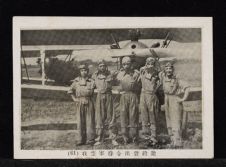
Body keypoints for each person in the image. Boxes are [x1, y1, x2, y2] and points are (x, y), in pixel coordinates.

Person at [92, 59, 118, 146]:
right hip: (100, 96)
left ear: (106, 66)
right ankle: (99, 137)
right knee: (99, 117)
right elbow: (91, 86)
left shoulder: (110, 74)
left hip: (109, 96)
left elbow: (117, 81)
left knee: (111, 117)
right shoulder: (95, 76)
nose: (102, 67)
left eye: (104, 65)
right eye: (100, 66)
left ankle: (113, 138)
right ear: (98, 67)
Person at [67, 64, 95, 146]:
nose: (84, 72)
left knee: (89, 121)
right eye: (82, 70)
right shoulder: (76, 81)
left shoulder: (92, 81)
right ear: (80, 71)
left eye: (85, 70)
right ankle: (80, 139)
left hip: (89, 101)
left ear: (88, 71)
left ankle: (90, 139)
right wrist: (74, 99)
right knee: (80, 121)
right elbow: (70, 91)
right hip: (79, 102)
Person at [115, 56, 140, 144]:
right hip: (124, 95)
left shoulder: (136, 73)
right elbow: (118, 83)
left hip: (133, 95)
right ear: (122, 64)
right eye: (124, 64)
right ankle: (125, 136)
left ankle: (134, 136)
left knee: (133, 116)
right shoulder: (120, 74)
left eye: (128, 64)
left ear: (131, 64)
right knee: (123, 116)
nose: (126, 66)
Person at [159, 62, 185, 148]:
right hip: (166, 98)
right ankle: (172, 138)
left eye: (170, 69)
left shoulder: (176, 78)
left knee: (175, 118)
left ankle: (178, 140)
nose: (168, 70)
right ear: (165, 70)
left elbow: (185, 87)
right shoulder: (163, 77)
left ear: (172, 70)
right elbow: (160, 74)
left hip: (173, 98)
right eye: (167, 69)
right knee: (168, 117)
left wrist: (182, 98)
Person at [139, 57, 160, 145]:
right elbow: (141, 70)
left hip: (151, 95)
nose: (150, 65)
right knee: (144, 115)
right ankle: (146, 135)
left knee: (152, 115)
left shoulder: (156, 73)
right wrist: (145, 67)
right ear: (146, 64)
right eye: (148, 63)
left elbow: (160, 83)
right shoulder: (142, 71)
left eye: (152, 63)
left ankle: (153, 136)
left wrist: (155, 90)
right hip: (143, 95)